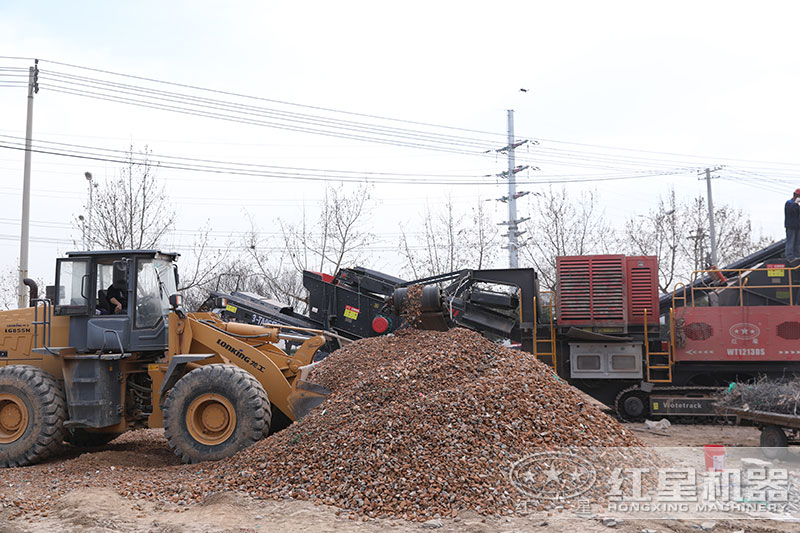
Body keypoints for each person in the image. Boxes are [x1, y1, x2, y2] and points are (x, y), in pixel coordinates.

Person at [786, 188, 800, 262]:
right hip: (791, 226)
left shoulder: (797, 205)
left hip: (797, 226)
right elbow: (791, 210)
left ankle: (797, 255)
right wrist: (795, 203)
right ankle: (790, 256)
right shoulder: (789, 203)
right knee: (791, 241)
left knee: (797, 242)